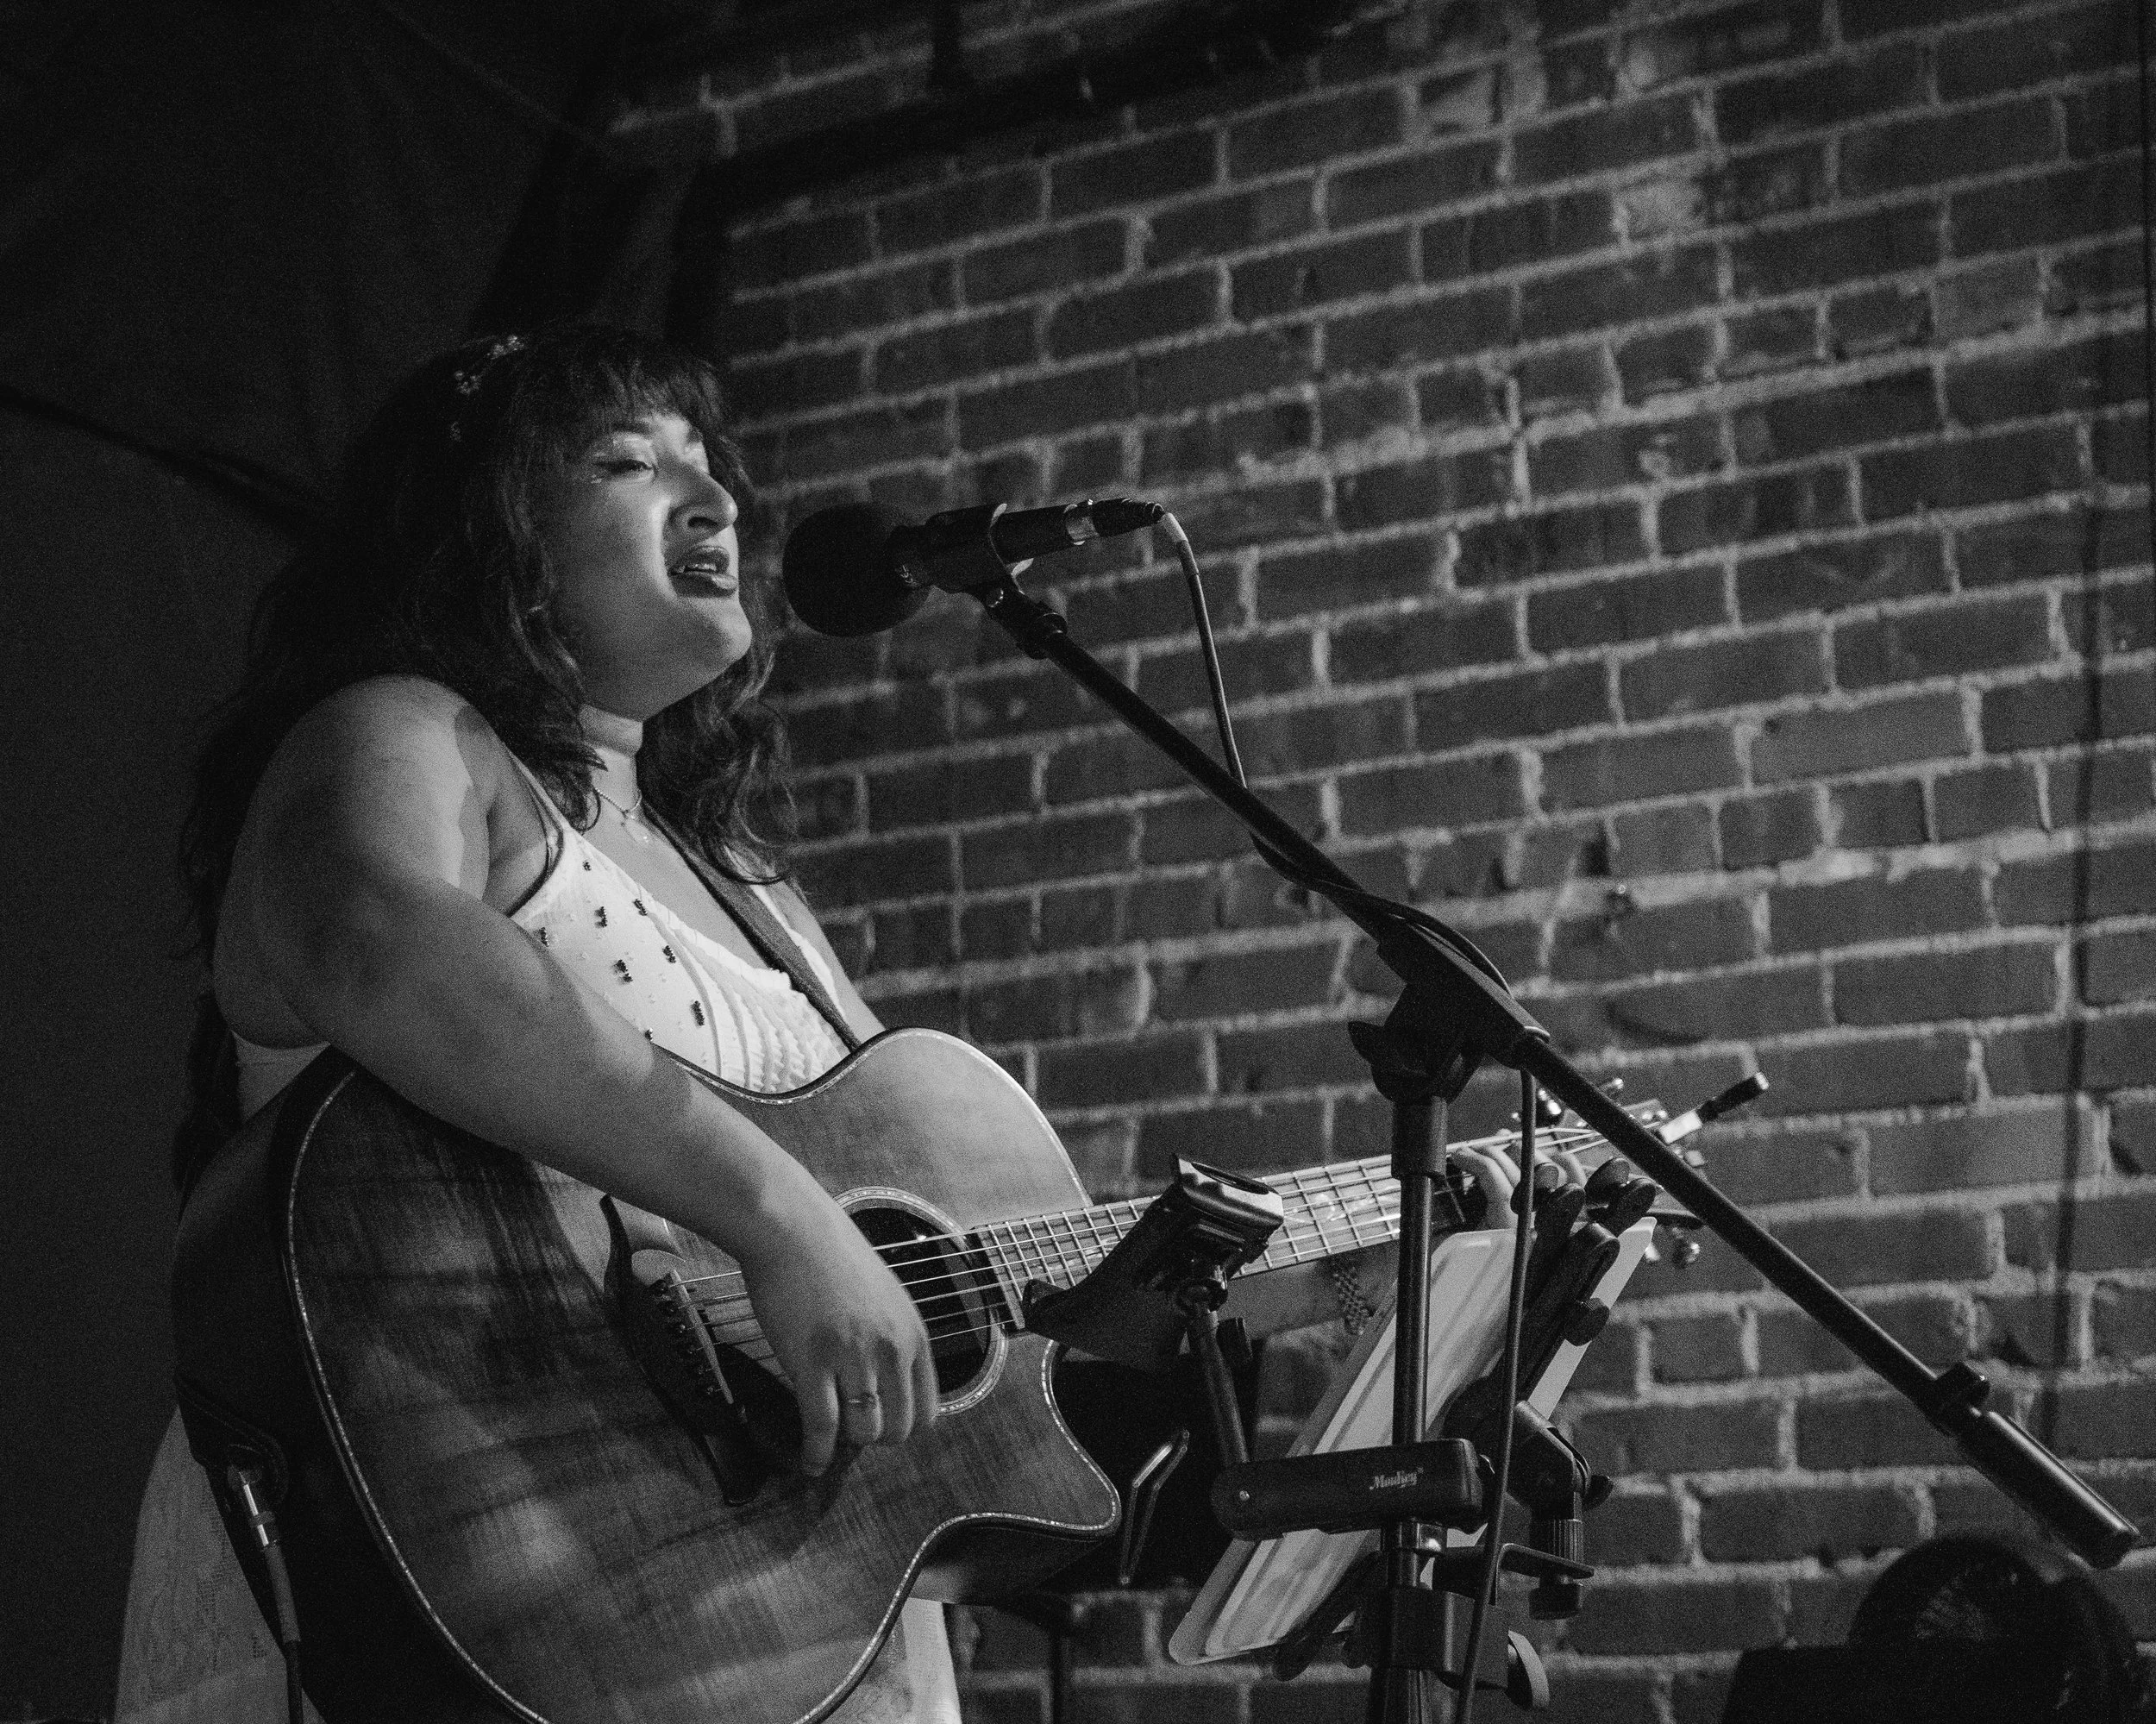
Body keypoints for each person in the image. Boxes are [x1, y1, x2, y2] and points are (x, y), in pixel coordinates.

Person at [115, 323, 1545, 1721]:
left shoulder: (755, 896)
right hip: (442, 1549)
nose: (716, 496)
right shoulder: (406, 732)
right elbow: (373, 930)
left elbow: (984, 1281)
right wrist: (781, 1218)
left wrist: (1381, 1249)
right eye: (628, 460)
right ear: (487, 531)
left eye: (710, 460)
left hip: (784, 1626)